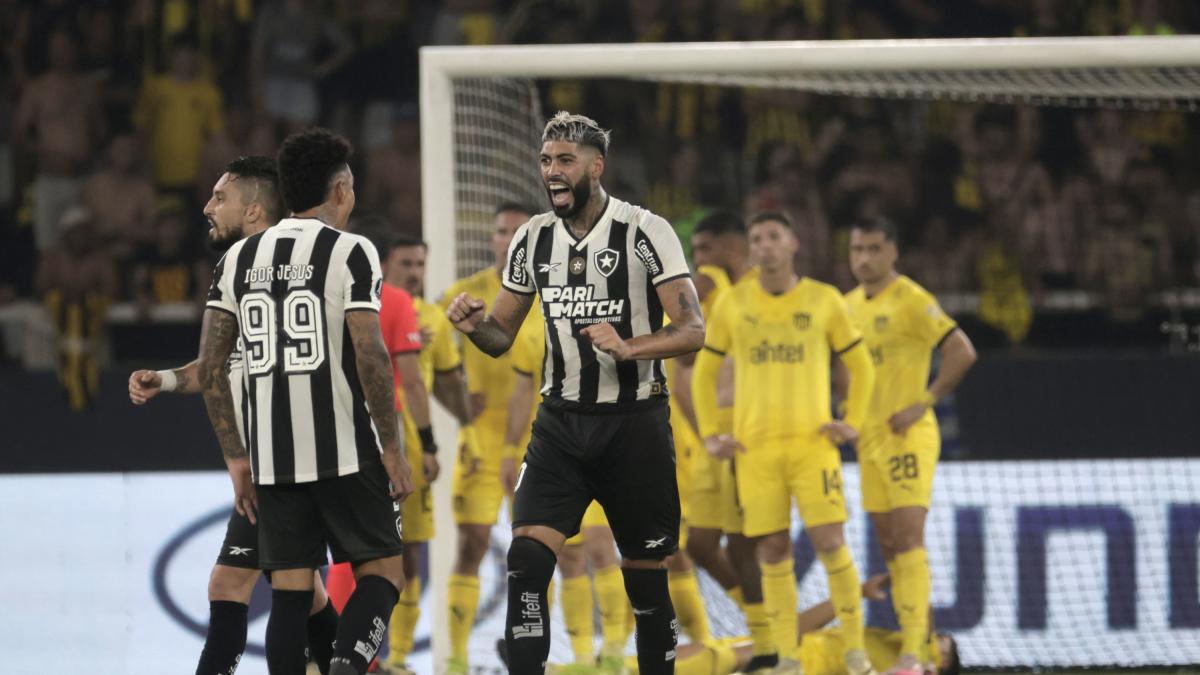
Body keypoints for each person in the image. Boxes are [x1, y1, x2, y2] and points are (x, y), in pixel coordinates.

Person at [446, 110, 705, 675]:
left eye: (565, 160)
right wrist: (474, 327)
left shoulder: (644, 232)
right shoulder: (533, 238)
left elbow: (693, 330)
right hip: (560, 425)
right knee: (525, 560)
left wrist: (629, 347)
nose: (552, 172)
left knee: (645, 579)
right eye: (545, 161)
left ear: (596, 165)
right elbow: (500, 337)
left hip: (634, 424)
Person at [198, 127, 414, 675]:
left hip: (272, 459)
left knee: (292, 592)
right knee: (384, 573)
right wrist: (391, 447)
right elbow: (370, 355)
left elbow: (210, 370)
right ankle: (345, 665)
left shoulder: (237, 260)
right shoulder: (352, 250)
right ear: (340, 188)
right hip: (346, 449)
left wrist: (237, 458)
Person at [127, 155, 340, 675]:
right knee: (302, 589)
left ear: (254, 210)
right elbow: (222, 363)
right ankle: (340, 662)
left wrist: (241, 458)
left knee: (232, 584)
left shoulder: (273, 270)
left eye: (219, 197)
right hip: (277, 460)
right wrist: (170, 379)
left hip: (292, 458)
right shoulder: (247, 269)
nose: (206, 206)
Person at [693, 212, 877, 675]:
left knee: (831, 541)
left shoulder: (824, 300)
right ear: (751, 249)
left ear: (793, 243)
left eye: (774, 236)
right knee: (772, 551)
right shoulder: (734, 304)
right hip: (755, 450)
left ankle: (855, 652)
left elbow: (863, 366)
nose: (765, 245)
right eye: (757, 238)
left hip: (812, 445)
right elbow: (704, 371)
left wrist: (852, 420)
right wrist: (712, 433)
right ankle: (788, 660)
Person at [842, 216, 977, 675]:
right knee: (889, 546)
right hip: (870, 439)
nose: (864, 258)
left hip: (906, 435)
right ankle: (923, 653)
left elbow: (962, 350)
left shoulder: (912, 299)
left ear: (893, 251)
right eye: (858, 249)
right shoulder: (846, 306)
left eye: (874, 249)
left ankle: (913, 653)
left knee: (907, 538)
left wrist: (924, 402)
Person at [502, 295, 629, 669]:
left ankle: (616, 655)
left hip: (607, 443)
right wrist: (511, 448)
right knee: (569, 556)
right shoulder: (531, 324)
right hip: (554, 451)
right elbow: (524, 389)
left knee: (604, 548)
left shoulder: (610, 302)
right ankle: (585, 658)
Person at [437, 202, 535, 674]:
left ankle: (535, 653)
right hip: (480, 439)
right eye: (501, 231)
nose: (508, 239)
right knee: (472, 544)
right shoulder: (462, 294)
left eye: (518, 231)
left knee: (539, 549)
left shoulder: (550, 293)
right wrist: (455, 398)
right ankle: (455, 660)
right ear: (492, 238)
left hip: (538, 438)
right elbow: (427, 356)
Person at [508, 575, 962, 675]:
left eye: (938, 650)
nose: (931, 642)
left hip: (791, 670)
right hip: (786, 651)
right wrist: (856, 596)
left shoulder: (905, 667)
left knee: (720, 656)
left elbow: (920, 607)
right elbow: (805, 624)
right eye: (938, 640)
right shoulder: (879, 640)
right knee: (701, 655)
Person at [678, 210, 774, 666]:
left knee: (744, 543)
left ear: (734, 247)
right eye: (694, 252)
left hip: (751, 434)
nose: (699, 260)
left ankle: (767, 642)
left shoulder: (760, 288)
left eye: (706, 249)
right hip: (711, 438)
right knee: (697, 544)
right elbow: (685, 368)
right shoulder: (706, 295)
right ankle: (762, 626)